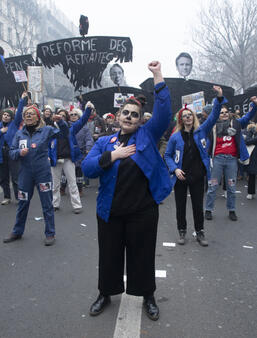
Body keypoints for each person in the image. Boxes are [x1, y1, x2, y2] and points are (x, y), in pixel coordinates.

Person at [82, 61, 172, 321]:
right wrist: (113, 155)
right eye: (126, 113)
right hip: (110, 211)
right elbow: (88, 169)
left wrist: (158, 77)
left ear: (140, 119)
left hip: (142, 212)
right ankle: (105, 293)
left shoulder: (147, 135)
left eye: (135, 114)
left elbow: (164, 113)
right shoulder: (103, 142)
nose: (130, 117)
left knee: (142, 256)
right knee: (109, 256)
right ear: (118, 116)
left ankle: (148, 296)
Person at [164, 86, 226, 246]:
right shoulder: (175, 137)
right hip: (180, 176)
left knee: (198, 206)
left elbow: (213, 116)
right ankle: (182, 231)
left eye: (189, 115)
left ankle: (200, 232)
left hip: (198, 176)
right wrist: (175, 169)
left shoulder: (201, 131)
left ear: (193, 117)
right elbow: (168, 155)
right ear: (181, 119)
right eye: (184, 116)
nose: (187, 118)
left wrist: (219, 98)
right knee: (180, 207)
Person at [3, 103, 68, 246]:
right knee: (22, 203)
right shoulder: (19, 134)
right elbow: (11, 152)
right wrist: (19, 152)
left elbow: (64, 134)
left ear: (38, 117)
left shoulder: (46, 130)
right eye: (26, 114)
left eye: (31, 114)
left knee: (47, 203)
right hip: (25, 174)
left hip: (42, 173)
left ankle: (50, 233)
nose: (28, 116)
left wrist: (61, 122)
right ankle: (17, 231)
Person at [205, 98, 257, 221]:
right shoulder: (212, 125)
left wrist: (255, 104)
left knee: (231, 187)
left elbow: (249, 115)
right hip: (217, 159)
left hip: (231, 161)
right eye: (221, 112)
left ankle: (232, 210)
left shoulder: (236, 123)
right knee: (212, 186)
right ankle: (208, 210)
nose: (224, 114)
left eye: (226, 112)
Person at [49, 103, 93, 213]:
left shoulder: (71, 129)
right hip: (55, 159)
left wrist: (87, 109)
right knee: (55, 185)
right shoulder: (50, 130)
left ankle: (77, 206)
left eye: (63, 116)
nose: (60, 118)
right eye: (59, 116)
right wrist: (48, 156)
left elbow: (83, 120)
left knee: (72, 183)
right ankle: (55, 204)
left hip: (68, 159)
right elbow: (46, 144)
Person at [60, 108, 94, 196]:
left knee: (79, 172)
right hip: (68, 152)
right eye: (71, 114)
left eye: (75, 114)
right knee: (65, 173)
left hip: (79, 153)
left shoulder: (84, 128)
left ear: (79, 116)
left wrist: (88, 148)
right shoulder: (66, 126)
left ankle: (80, 189)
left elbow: (89, 139)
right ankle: (62, 188)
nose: (73, 116)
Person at [0, 93, 26, 205]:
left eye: (8, 115)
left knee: (15, 177)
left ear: (11, 117)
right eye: (4, 115)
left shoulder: (14, 124)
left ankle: (18, 197)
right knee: (3, 177)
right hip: (1, 154)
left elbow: (19, 112)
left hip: (12, 152)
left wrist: (22, 100)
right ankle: (7, 197)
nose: (6, 116)